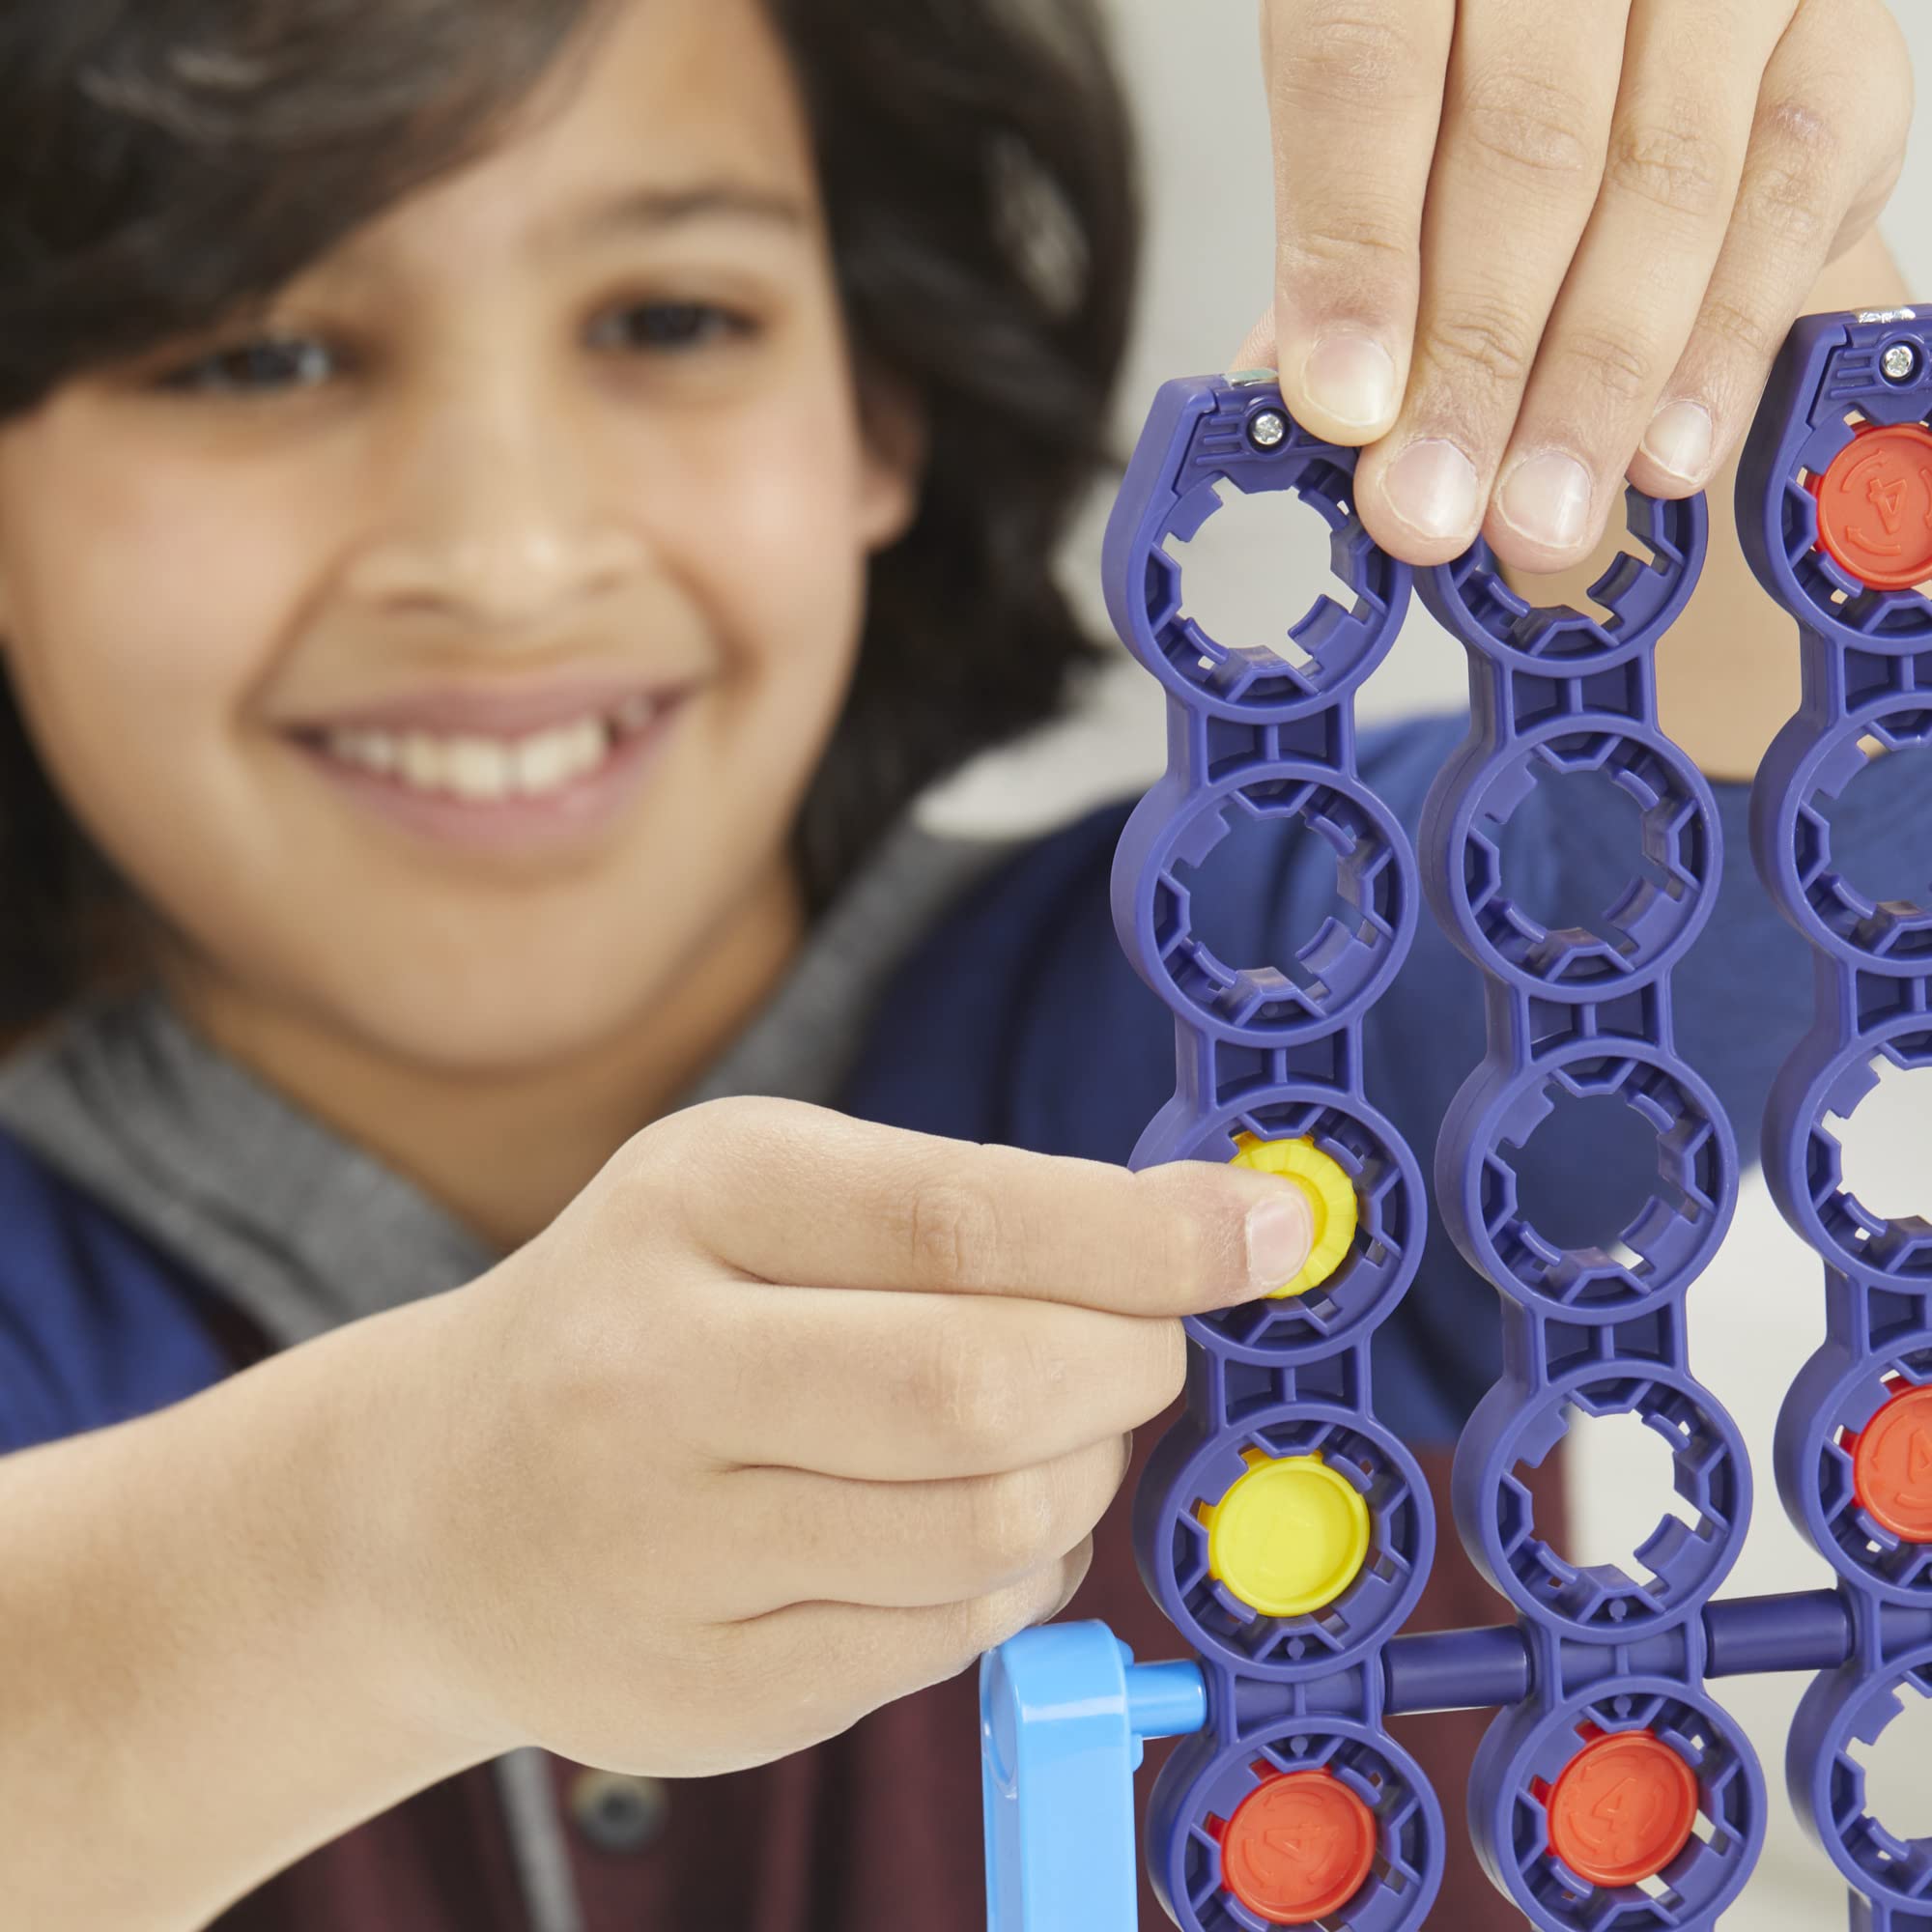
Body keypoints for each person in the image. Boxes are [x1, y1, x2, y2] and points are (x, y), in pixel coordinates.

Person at [0, 0, 1919, 1927]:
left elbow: (1772, 806)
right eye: (260, 352)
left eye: (669, 321)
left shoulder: (1269, 998)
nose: (505, 554)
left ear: (879, 408)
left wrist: (1717, 294)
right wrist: (380, 1554)